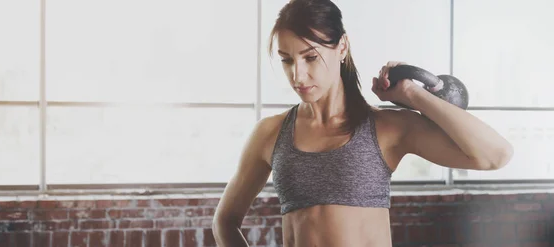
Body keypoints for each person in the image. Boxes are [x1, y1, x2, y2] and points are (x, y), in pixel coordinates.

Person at [212, 0, 514, 246]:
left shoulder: (385, 127)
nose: (297, 75)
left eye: (310, 57)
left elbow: (495, 155)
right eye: (287, 60)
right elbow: (225, 221)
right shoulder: (270, 133)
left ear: (341, 47)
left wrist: (412, 94)